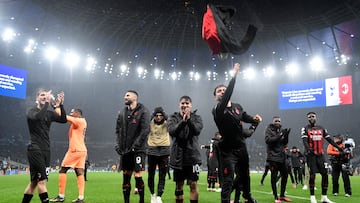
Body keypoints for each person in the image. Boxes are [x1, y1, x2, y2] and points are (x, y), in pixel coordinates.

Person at [212, 63, 261, 203]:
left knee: (245, 175)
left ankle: (247, 195)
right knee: (227, 180)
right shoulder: (217, 110)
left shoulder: (237, 107)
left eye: (223, 90)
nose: (222, 92)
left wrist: (254, 119)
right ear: (215, 97)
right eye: (219, 91)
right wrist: (234, 76)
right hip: (227, 150)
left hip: (241, 147)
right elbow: (228, 95)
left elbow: (245, 116)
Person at [21, 89, 67, 203]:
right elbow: (38, 117)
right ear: (37, 98)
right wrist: (47, 102)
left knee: (34, 183)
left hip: (46, 149)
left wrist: (61, 105)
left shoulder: (49, 114)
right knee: (42, 181)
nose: (44, 97)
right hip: (35, 149)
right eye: (42, 95)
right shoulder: (31, 111)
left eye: (46, 95)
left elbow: (63, 119)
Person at [115, 90, 150, 203]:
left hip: (138, 150)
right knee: (126, 176)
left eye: (127, 95)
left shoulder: (143, 111)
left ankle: (141, 201)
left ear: (135, 98)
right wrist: (118, 144)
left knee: (137, 175)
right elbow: (117, 130)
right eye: (125, 95)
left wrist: (136, 145)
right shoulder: (122, 112)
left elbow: (145, 130)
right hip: (125, 150)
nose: (125, 97)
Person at [301, 111, 343, 203]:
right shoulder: (305, 128)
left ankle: (324, 197)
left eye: (312, 116)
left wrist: (338, 147)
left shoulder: (321, 128)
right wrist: (308, 149)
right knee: (312, 175)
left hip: (320, 155)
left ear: (316, 118)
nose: (311, 118)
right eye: (309, 117)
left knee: (325, 174)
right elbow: (304, 141)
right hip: (311, 156)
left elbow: (329, 139)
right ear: (308, 119)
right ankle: (312, 197)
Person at [168, 95, 203, 203]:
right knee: (179, 185)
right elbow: (172, 131)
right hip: (178, 157)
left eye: (187, 103)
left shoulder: (197, 118)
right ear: (179, 104)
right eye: (183, 103)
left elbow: (197, 130)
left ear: (191, 105)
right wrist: (183, 122)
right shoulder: (173, 117)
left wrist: (188, 121)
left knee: (193, 183)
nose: (185, 105)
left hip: (193, 157)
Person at [50, 108, 87, 203]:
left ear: (78, 113)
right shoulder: (82, 121)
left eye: (72, 112)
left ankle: (61, 196)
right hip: (81, 150)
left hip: (75, 150)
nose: (70, 114)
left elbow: (63, 116)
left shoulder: (78, 121)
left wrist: (56, 107)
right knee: (79, 172)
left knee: (63, 170)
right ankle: (81, 197)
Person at [265, 116, 292, 203]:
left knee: (285, 175)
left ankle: (282, 195)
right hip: (273, 157)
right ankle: (276, 197)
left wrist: (286, 135)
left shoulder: (281, 130)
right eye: (276, 121)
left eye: (279, 121)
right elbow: (268, 140)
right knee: (274, 177)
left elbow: (284, 143)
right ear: (273, 122)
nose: (278, 122)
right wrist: (280, 134)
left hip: (281, 157)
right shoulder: (269, 129)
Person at [147, 107, 171, 203]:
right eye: (156, 115)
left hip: (164, 151)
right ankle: (152, 194)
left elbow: (172, 123)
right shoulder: (150, 122)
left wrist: (165, 115)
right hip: (152, 150)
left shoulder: (167, 123)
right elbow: (144, 123)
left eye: (160, 115)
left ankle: (159, 196)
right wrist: (152, 115)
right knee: (151, 175)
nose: (158, 117)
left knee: (162, 175)